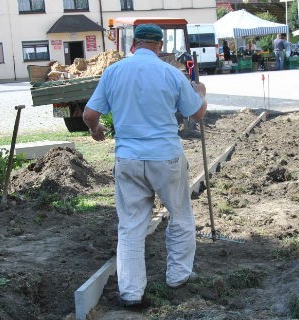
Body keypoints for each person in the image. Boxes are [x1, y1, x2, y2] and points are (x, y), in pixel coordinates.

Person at [82, 24, 208, 307]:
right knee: (180, 216)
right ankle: (177, 277)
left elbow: (90, 114)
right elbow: (197, 113)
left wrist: (95, 129)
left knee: (130, 226)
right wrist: (200, 91)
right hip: (166, 157)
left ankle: (131, 293)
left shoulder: (113, 72)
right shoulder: (171, 73)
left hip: (128, 158)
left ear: (132, 46)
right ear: (159, 47)